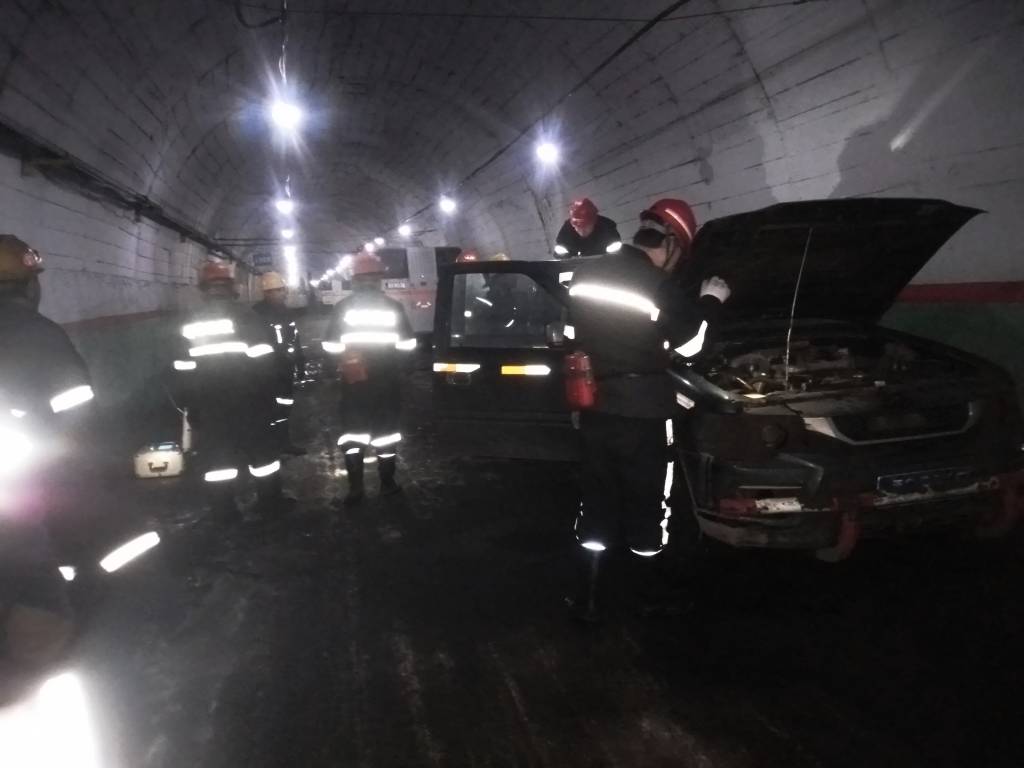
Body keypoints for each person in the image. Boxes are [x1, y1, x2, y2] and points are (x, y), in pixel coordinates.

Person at [564, 199, 731, 622]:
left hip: (595, 408)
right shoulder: (657, 285)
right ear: (670, 243)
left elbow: (569, 335)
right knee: (649, 501)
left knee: (597, 499)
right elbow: (692, 347)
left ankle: (587, 599)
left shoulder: (585, 275)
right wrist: (711, 302)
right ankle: (648, 597)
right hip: (646, 415)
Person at [0, 235, 83, 697]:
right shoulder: (42, 335)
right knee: (34, 574)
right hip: (21, 482)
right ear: (29, 285)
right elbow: (77, 409)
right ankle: (34, 682)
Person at [172, 261, 283, 517]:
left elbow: (182, 368)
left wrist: (189, 405)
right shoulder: (247, 317)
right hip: (248, 399)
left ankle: (223, 510)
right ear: (232, 288)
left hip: (209, 403)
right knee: (261, 453)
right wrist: (270, 398)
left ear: (203, 289)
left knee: (217, 459)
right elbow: (265, 361)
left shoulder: (189, 322)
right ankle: (270, 503)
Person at [323, 252, 416, 504]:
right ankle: (387, 484)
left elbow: (330, 346)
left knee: (354, 434)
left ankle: (356, 488)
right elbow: (407, 346)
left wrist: (339, 366)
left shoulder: (343, 308)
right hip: (387, 382)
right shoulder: (393, 307)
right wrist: (402, 369)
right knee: (385, 434)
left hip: (354, 383)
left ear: (354, 280)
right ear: (378, 279)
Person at [252, 271, 306, 456]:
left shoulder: (286, 313)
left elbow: (295, 340)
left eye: (282, 290)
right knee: (267, 409)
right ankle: (269, 446)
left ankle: (283, 443)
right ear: (267, 293)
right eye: (278, 290)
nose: (282, 294)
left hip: (284, 370)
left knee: (284, 408)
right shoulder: (255, 315)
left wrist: (300, 364)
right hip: (265, 372)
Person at [554, 198, 622, 258]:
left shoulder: (607, 227)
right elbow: (559, 253)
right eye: (578, 228)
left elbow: (617, 253)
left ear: (594, 223)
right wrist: (564, 254)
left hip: (605, 263)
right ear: (573, 226)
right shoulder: (566, 230)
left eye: (586, 228)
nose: (582, 232)